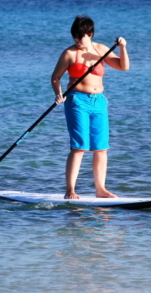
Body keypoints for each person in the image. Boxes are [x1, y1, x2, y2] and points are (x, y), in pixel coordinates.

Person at [51, 15, 130, 199]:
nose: (77, 41)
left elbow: (123, 66)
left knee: (101, 148)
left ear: (90, 34)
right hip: (77, 101)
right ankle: (70, 190)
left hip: (99, 102)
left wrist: (123, 48)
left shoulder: (101, 49)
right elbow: (55, 77)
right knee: (79, 147)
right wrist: (58, 93)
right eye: (75, 37)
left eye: (81, 37)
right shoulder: (69, 54)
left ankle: (100, 189)